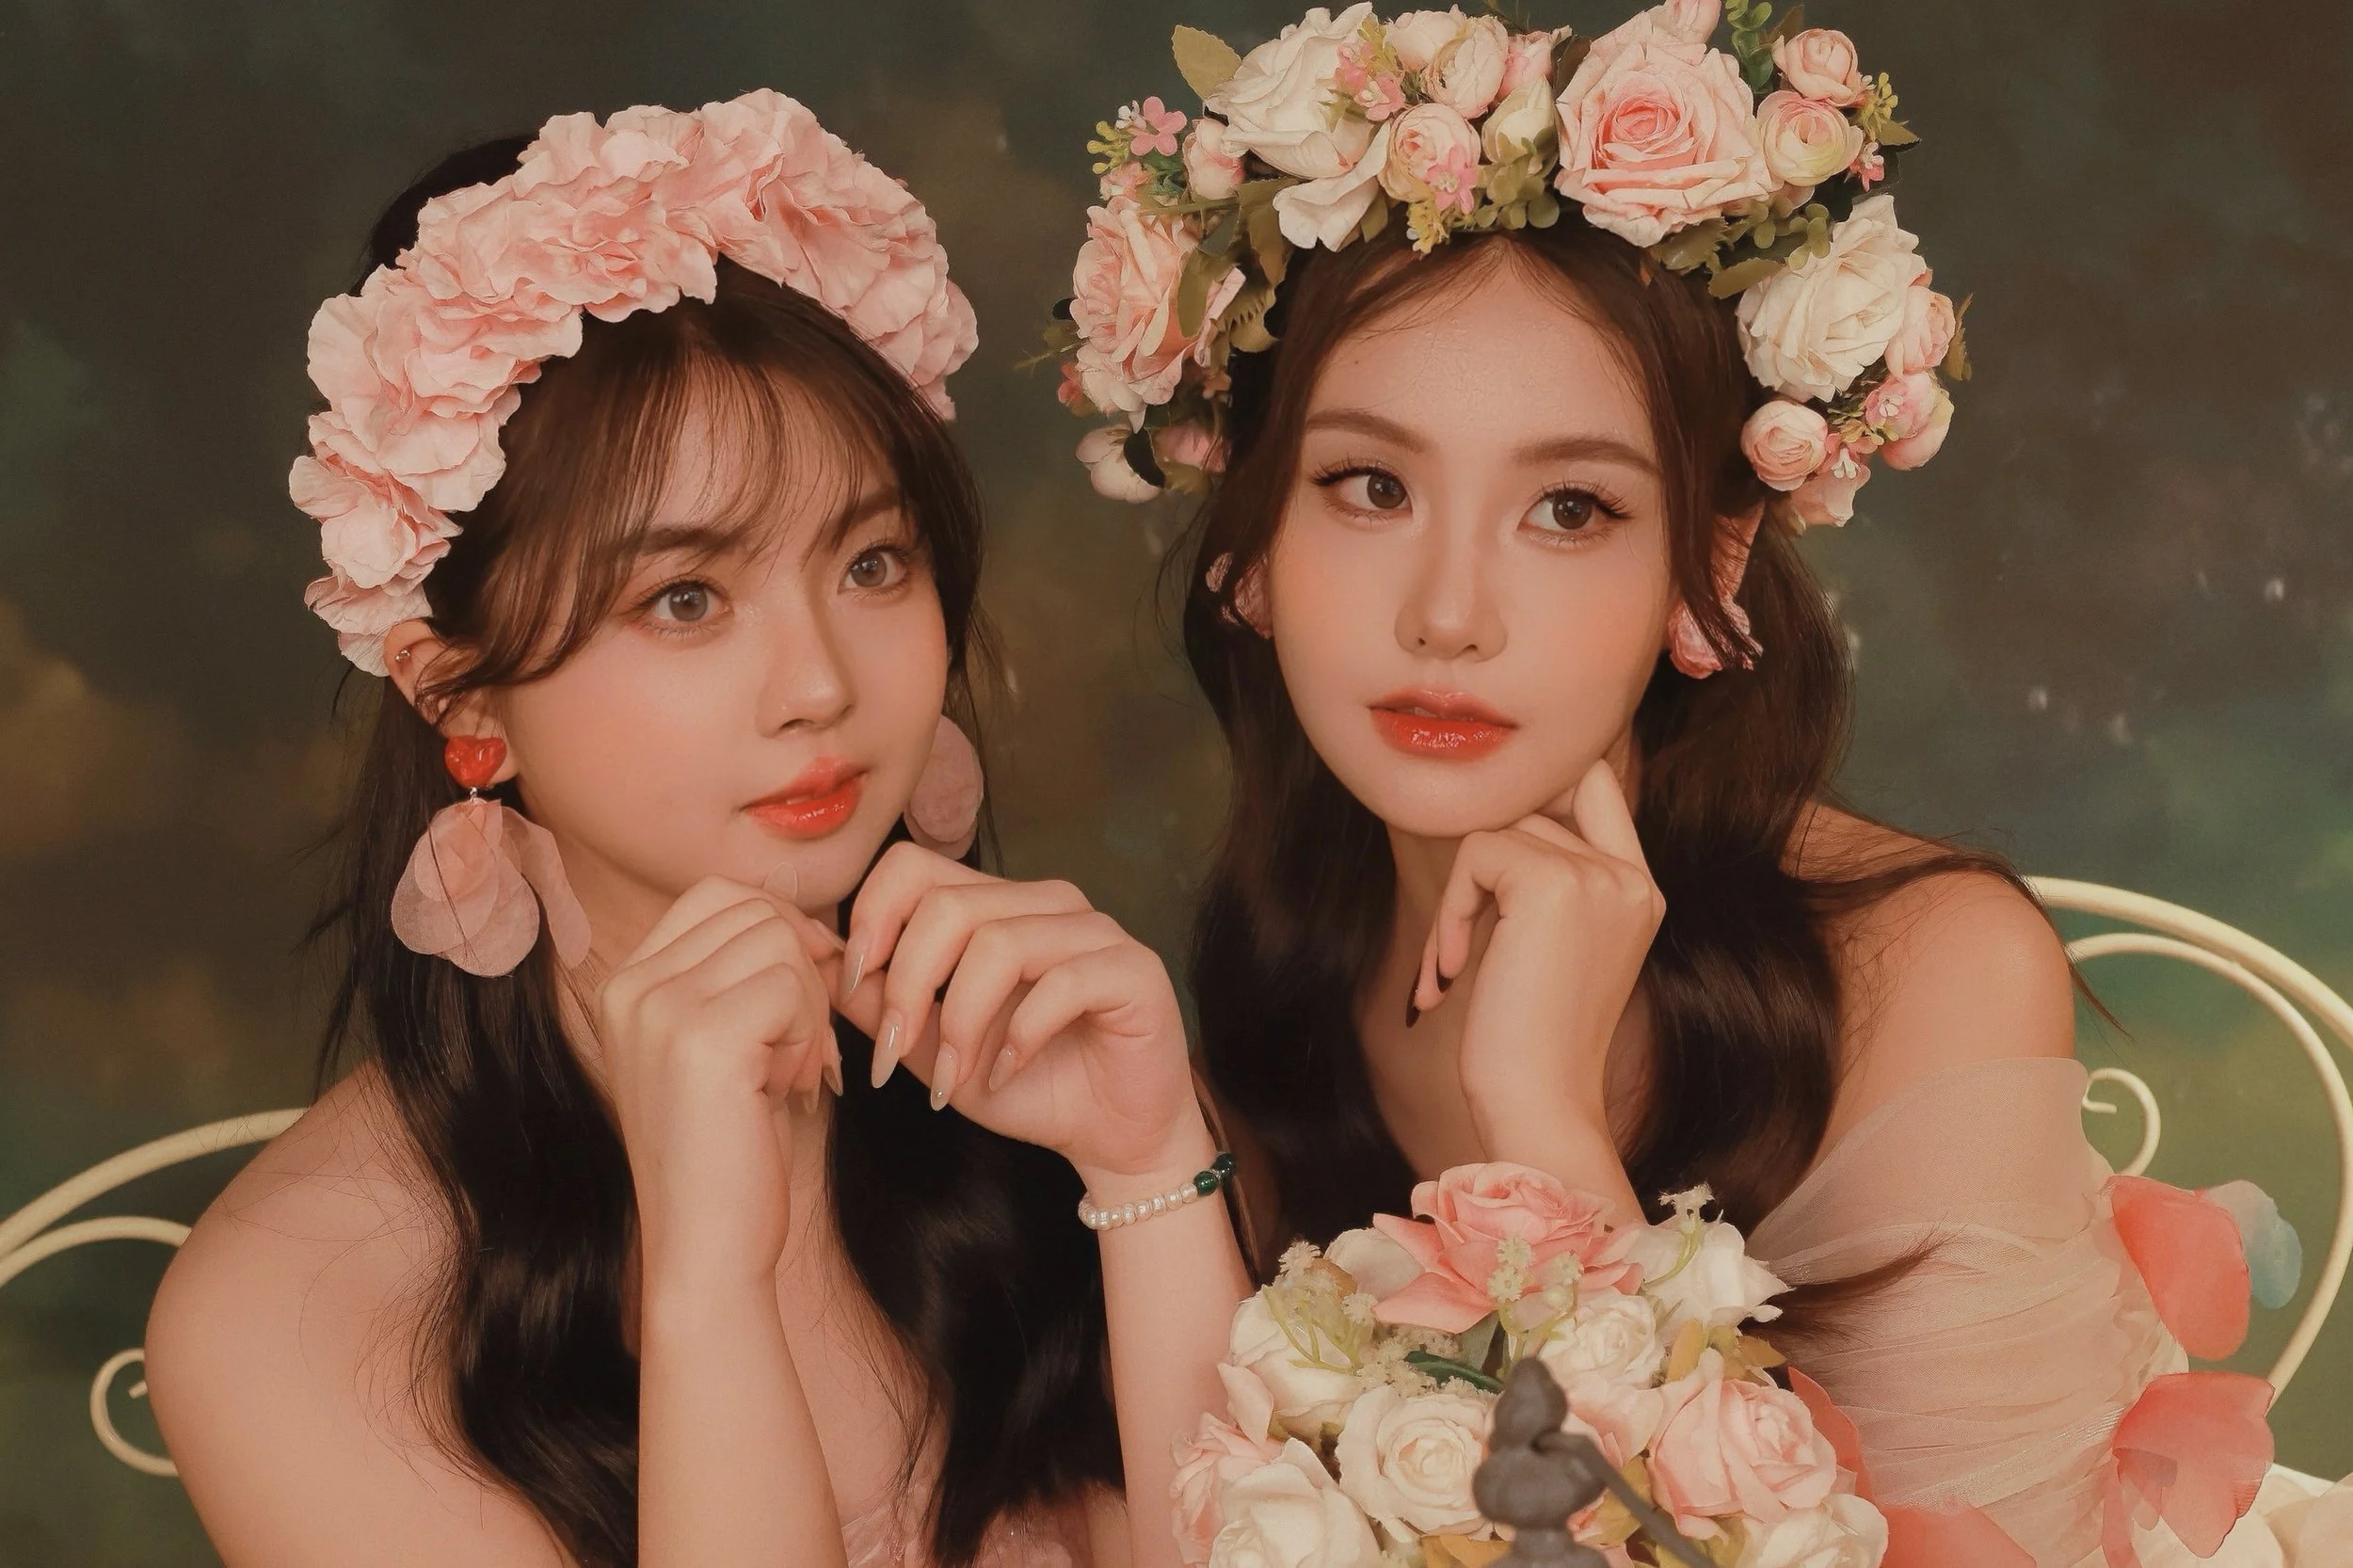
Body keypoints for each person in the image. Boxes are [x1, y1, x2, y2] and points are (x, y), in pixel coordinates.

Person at [1047, 6, 2300, 1562]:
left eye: (1569, 508)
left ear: (1706, 573)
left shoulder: (1929, 973)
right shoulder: (1278, 971)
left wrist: (1547, 1129)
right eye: (1369, 486)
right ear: (1246, 550)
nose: (1451, 612)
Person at [146, 92, 1248, 1568]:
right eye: (685, 598)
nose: (821, 686)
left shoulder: (1035, 1078)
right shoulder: (292, 1305)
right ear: (461, 696)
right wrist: (705, 1287)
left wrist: (1149, 1168)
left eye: (871, 562)